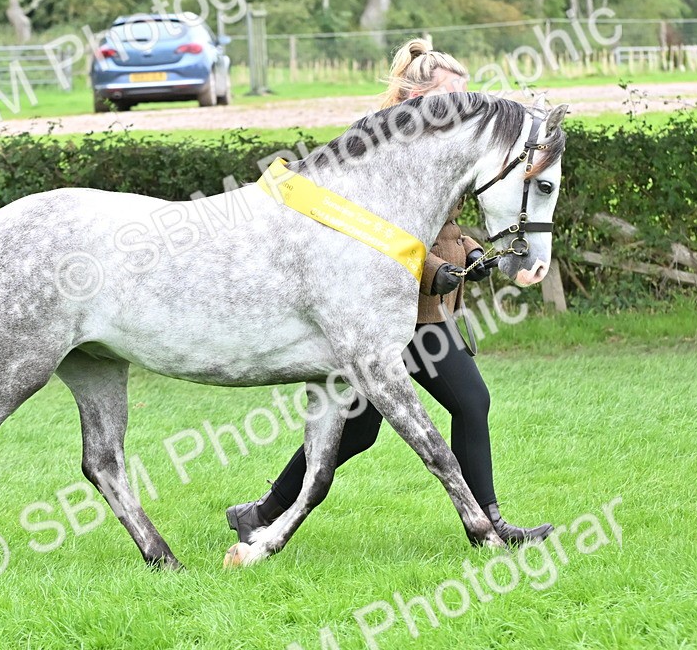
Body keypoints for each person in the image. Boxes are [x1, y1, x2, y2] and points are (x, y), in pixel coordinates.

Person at [226, 39, 553, 546]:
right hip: (384, 310)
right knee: (441, 407)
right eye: (451, 98)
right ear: (411, 94)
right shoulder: (377, 148)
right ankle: (488, 525)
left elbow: (439, 222)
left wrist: (466, 249)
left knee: (387, 421)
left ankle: (262, 512)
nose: (465, 110)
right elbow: (372, 237)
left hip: (418, 307)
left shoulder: (437, 145)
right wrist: (435, 269)